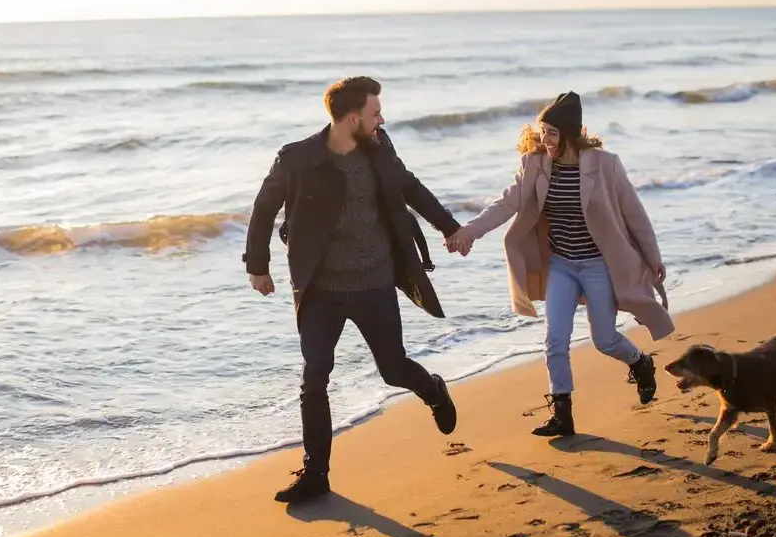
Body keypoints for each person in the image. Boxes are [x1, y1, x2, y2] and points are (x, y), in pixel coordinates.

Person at [244, 75, 466, 504]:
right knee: (314, 378)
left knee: (393, 368)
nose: (381, 119)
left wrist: (451, 228)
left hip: (375, 282)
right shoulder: (298, 158)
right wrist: (258, 266)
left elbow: (411, 188)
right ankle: (316, 473)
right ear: (351, 119)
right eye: (374, 113)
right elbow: (263, 206)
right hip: (320, 290)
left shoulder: (380, 148)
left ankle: (433, 390)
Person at [444, 91, 673, 437]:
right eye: (542, 131)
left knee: (605, 340)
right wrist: (468, 232)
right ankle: (562, 415)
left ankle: (640, 363)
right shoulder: (535, 164)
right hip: (562, 265)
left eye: (552, 132)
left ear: (570, 133)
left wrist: (653, 258)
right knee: (554, 340)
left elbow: (634, 214)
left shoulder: (604, 164)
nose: (545, 140)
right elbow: (505, 205)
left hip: (598, 265)